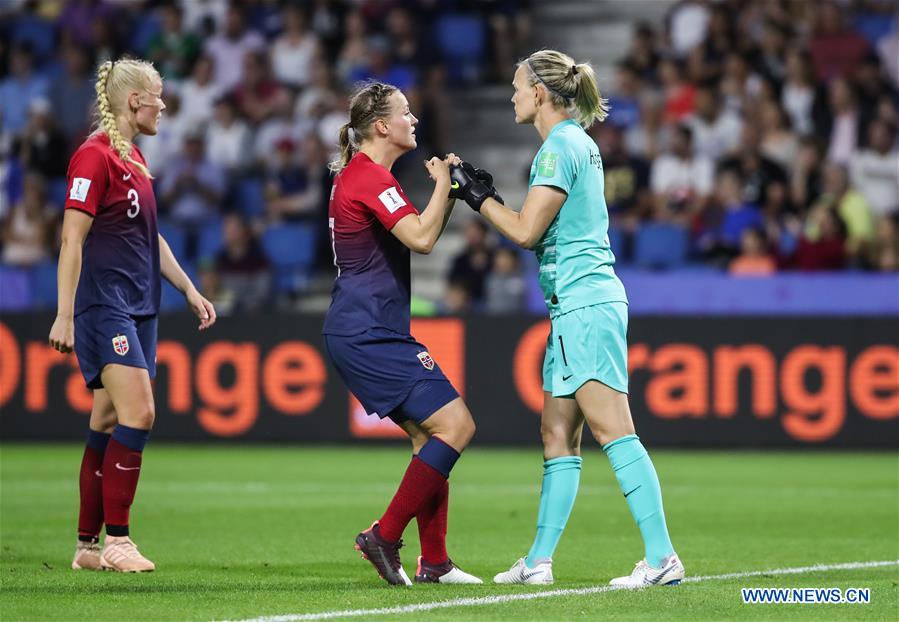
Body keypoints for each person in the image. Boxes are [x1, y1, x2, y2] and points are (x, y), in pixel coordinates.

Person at [450, 49, 683, 587]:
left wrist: (477, 198)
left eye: (516, 86)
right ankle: (538, 562)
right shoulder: (578, 142)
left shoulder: (558, 148)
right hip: (572, 306)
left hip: (585, 304)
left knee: (614, 430)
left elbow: (526, 232)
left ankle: (662, 557)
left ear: (539, 93)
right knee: (556, 433)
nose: (511, 95)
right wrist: (489, 198)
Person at [48, 58, 216, 573]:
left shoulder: (134, 158)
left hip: (141, 307)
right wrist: (64, 314)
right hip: (106, 305)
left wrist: (188, 288)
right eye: (158, 94)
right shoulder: (93, 157)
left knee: (105, 419)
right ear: (135, 99)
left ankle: (87, 546)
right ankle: (119, 540)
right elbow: (72, 239)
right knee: (139, 414)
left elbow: (149, 237)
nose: (164, 104)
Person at [323, 82, 481, 586]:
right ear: (381, 126)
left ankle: (435, 562)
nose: (414, 119)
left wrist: (449, 192)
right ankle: (383, 536)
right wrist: (444, 186)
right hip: (368, 330)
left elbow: (421, 231)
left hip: (365, 327)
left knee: (428, 438)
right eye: (406, 113)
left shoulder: (362, 175)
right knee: (456, 426)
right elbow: (422, 239)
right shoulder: (370, 177)